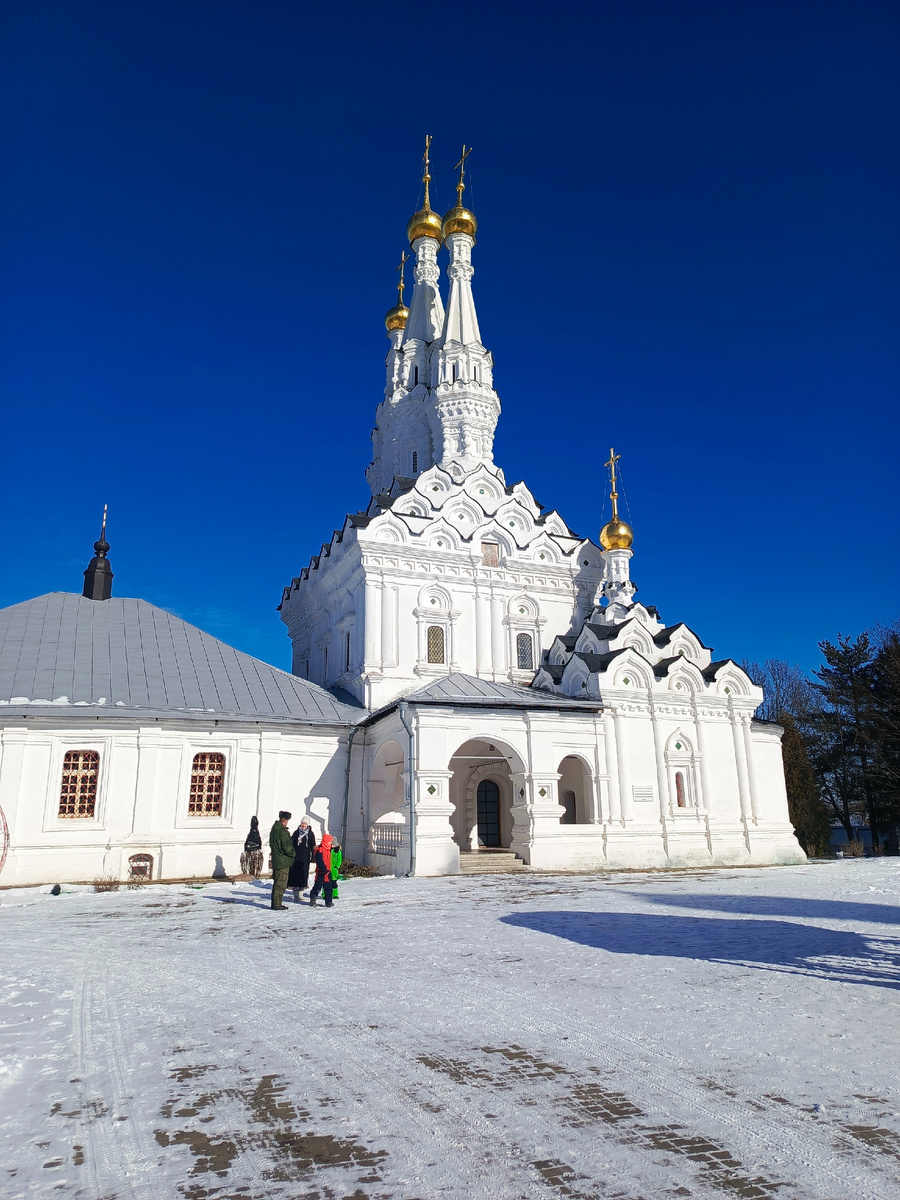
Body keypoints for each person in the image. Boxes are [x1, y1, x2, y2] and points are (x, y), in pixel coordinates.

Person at [269, 811, 295, 911]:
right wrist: (293, 853)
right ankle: (277, 904)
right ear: (286, 820)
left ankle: (276, 903)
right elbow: (287, 847)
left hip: (277, 859)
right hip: (282, 861)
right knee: (281, 884)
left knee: (277, 883)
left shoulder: (274, 830)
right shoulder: (282, 832)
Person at [288, 819, 316, 903]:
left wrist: (313, 857)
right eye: (302, 824)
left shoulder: (310, 834)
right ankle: (296, 894)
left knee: (303, 874)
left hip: (305, 858)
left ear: (308, 825)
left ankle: (301, 893)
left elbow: (313, 846)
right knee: (295, 875)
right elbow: (292, 844)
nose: (303, 826)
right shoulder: (296, 833)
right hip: (296, 857)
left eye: (305, 824)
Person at [309, 833, 336, 908]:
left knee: (328, 888)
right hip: (321, 872)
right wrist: (324, 869)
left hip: (328, 872)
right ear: (326, 841)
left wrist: (336, 847)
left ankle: (328, 902)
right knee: (317, 887)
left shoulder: (328, 849)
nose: (331, 844)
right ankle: (313, 898)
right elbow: (319, 861)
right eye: (330, 842)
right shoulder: (320, 850)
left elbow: (334, 848)